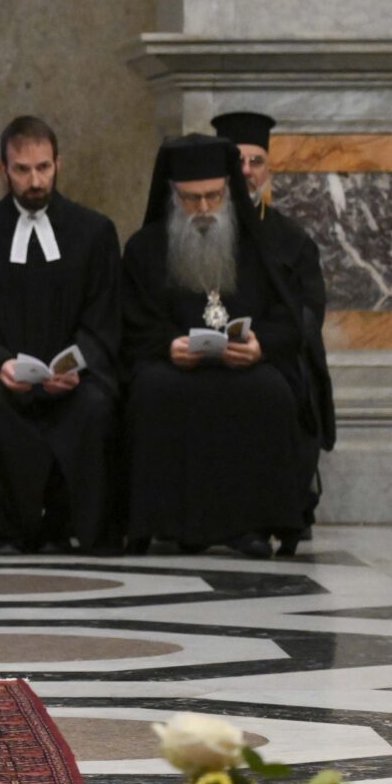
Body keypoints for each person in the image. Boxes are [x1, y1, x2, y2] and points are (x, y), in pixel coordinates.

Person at [120, 135, 325, 558]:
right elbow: (130, 322)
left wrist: (260, 345)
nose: (203, 209)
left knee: (269, 391)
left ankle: (250, 525)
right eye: (191, 198)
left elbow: (290, 320)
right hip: (173, 366)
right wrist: (168, 346)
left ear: (228, 190)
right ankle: (166, 523)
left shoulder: (261, 245)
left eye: (213, 196)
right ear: (172, 194)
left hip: (245, 363)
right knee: (153, 389)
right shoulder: (144, 249)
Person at [0, 116, 124, 554]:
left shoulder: (94, 232)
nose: (35, 180)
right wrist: (0, 362)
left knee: (96, 405)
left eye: (43, 167)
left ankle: (73, 528)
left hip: (72, 379)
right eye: (22, 169)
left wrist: (77, 363)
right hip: (0, 377)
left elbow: (104, 316)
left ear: (59, 164)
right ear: (1, 170)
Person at [211, 109, 335, 463]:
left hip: (271, 360)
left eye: (257, 161)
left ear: (268, 170)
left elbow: (308, 315)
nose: (247, 170)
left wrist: (261, 346)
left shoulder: (293, 241)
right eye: (237, 160)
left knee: (273, 395)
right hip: (199, 358)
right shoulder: (192, 228)